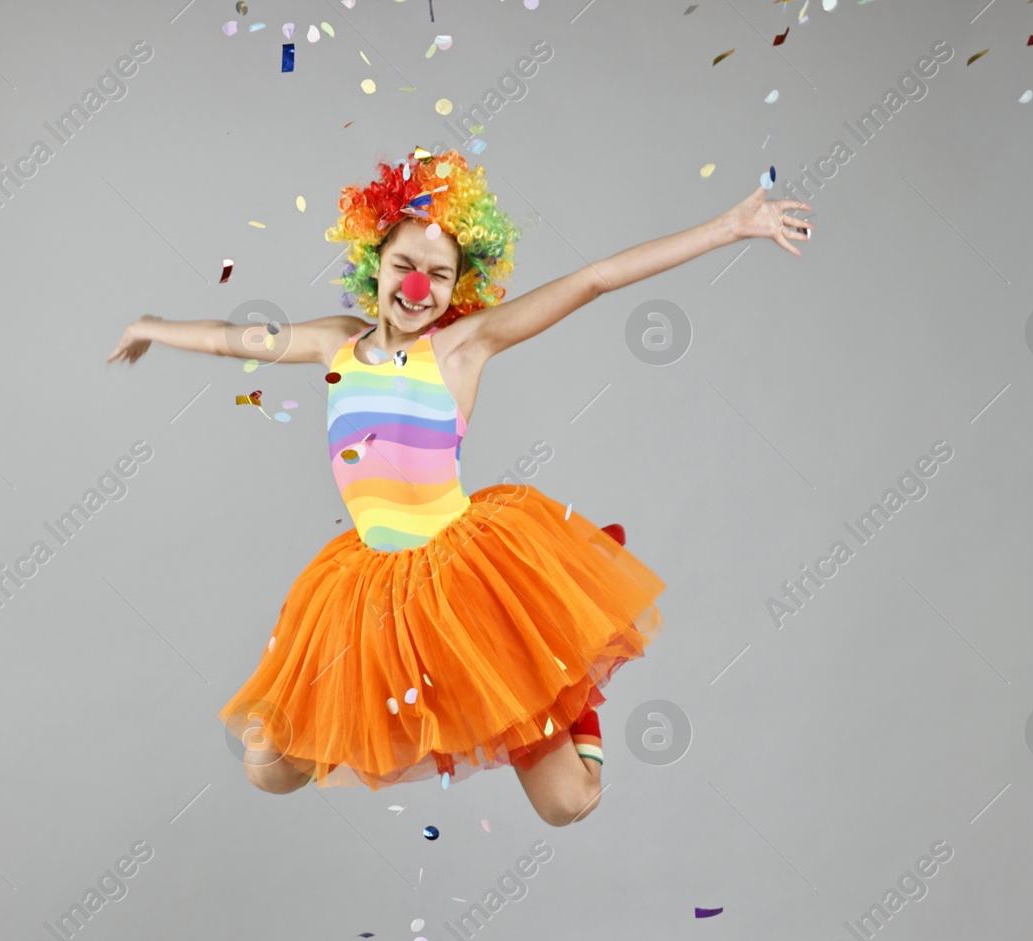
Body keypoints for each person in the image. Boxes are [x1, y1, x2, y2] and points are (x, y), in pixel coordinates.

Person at [106, 148, 811, 826]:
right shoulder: (336, 343)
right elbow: (238, 340)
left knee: (570, 804)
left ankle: (572, 705)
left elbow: (595, 278)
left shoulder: (462, 347)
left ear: (457, 286)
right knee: (268, 766)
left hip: (465, 579)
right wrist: (149, 326)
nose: (419, 288)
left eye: (438, 275)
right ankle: (397, 711)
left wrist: (730, 226)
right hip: (369, 590)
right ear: (373, 263)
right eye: (405, 265)